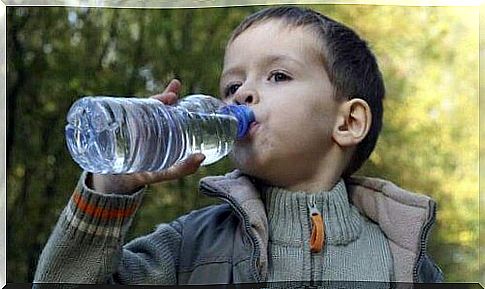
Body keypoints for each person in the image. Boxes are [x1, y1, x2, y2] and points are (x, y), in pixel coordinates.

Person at [34, 6, 443, 285]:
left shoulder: (403, 259)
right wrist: (109, 190)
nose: (243, 94)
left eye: (278, 76)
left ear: (348, 122)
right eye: (232, 85)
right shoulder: (188, 245)